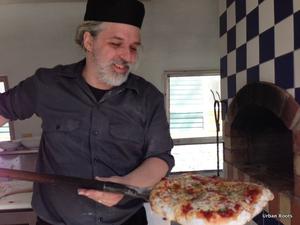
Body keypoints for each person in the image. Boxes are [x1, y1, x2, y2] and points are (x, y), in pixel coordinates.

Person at [0, 0, 174, 224]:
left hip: (125, 220)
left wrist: (126, 184)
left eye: (133, 47)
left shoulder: (148, 98)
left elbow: (160, 157)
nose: (127, 56)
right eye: (115, 43)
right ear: (89, 41)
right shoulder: (47, 85)